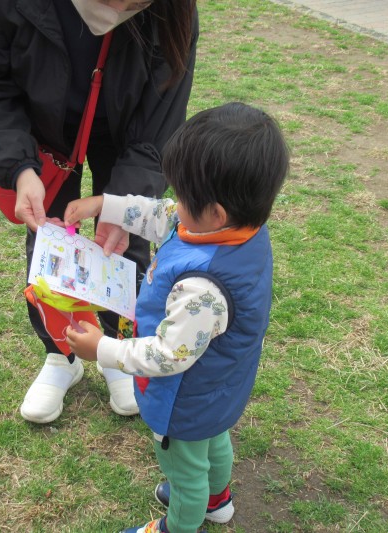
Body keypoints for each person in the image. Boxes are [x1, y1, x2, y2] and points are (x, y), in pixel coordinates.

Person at [0, 0, 198, 423]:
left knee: (121, 241)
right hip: (38, 125)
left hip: (127, 125)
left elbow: (160, 118)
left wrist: (125, 203)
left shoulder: (171, 8)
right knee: (51, 240)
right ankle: (62, 355)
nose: (123, 9)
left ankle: (117, 349)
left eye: (137, 3)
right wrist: (19, 168)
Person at [64, 102, 290, 533]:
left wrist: (103, 349)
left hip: (184, 399)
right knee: (214, 438)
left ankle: (180, 524)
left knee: (185, 472)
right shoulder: (239, 230)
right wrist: (105, 205)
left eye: (183, 196)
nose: (174, 203)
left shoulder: (202, 290)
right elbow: (161, 215)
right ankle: (218, 500)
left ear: (216, 213)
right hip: (219, 386)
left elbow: (168, 355)